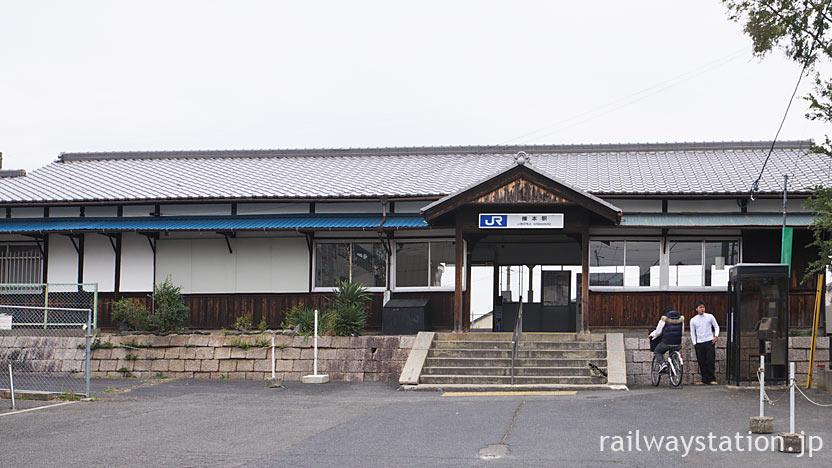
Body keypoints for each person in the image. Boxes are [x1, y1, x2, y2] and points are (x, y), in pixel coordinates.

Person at [689, 300, 720, 385]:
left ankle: (711, 378)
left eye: (703, 307)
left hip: (709, 341)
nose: (702, 309)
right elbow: (692, 332)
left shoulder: (710, 317)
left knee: (710, 360)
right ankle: (704, 379)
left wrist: (716, 336)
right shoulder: (693, 320)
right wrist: (694, 343)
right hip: (699, 342)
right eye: (700, 307)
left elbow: (716, 327)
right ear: (696, 309)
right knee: (701, 361)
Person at [649, 306, 685, 374]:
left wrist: (652, 334)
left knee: (657, 351)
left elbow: (658, 332)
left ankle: (663, 364)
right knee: (673, 354)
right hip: (677, 343)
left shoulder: (664, 319)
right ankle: (674, 370)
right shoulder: (681, 319)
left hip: (666, 342)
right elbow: (682, 332)